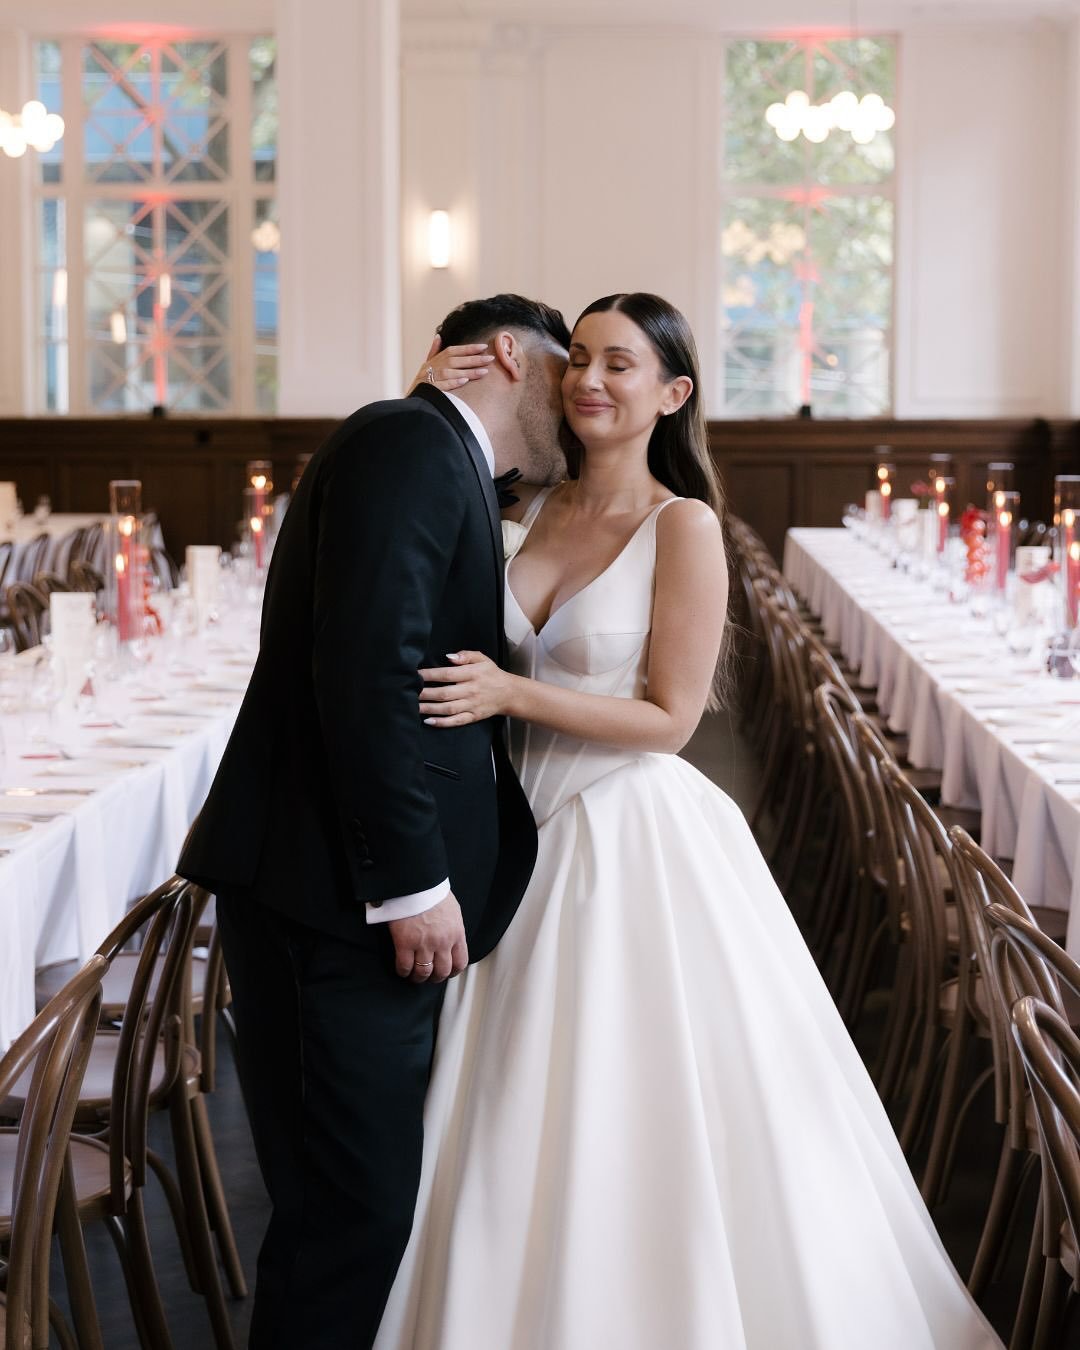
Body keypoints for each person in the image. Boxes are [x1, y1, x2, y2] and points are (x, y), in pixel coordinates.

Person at [373, 293, 1002, 1349]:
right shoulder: (520, 506)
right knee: (506, 1098)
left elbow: (669, 720)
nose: (588, 380)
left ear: (673, 393)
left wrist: (512, 692)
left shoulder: (685, 525)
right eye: (578, 358)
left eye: (619, 364)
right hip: (508, 831)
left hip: (623, 833)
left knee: (628, 1094)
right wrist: (428, 386)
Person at [177, 294, 570, 1350]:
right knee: (345, 1215)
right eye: (566, 370)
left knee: (356, 1206)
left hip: (338, 888)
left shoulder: (440, 454)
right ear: (505, 355)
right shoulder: (407, 440)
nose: (577, 397)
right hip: (337, 895)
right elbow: (366, 670)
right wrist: (410, 883)